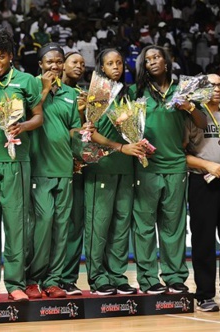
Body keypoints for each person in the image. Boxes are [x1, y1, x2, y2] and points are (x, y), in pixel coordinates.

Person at [129, 45, 207, 294]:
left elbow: (202, 123)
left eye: (156, 57)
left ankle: (175, 277)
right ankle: (149, 279)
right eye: (147, 59)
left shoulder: (183, 90)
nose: (152, 61)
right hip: (146, 168)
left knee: (173, 226)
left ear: (166, 61)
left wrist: (190, 107)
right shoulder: (135, 92)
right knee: (144, 226)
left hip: (175, 165)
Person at [0, 29, 43, 302]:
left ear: (10, 57)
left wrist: (23, 126)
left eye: (1, 57)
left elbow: (38, 117)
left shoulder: (26, 81)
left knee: (16, 225)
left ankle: (15, 283)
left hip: (18, 161)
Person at [83, 48, 145, 296]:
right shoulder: (98, 93)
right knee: (99, 225)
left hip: (126, 168)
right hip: (102, 166)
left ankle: (117, 275)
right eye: (110, 63)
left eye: (119, 62)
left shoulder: (129, 96)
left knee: (121, 223)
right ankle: (98, 277)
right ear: (102, 67)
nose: (116, 67)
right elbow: (90, 132)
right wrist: (120, 146)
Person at [26, 43, 81, 299]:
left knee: (61, 226)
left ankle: (53, 280)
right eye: (49, 61)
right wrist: (44, 90)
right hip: (39, 168)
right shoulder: (31, 86)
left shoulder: (70, 93)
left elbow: (72, 128)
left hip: (64, 169)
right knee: (43, 222)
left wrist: (82, 142)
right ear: (40, 64)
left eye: (59, 61)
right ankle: (32, 278)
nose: (55, 66)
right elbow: (24, 116)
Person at [185, 74, 220, 312]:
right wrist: (208, 165)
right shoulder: (193, 115)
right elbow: (181, 153)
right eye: (211, 85)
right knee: (202, 240)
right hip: (202, 181)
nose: (217, 89)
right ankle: (204, 295)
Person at [59, 51, 87, 296]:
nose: (79, 66)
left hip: (78, 168)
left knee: (75, 224)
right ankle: (45, 276)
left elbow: (85, 132)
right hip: (49, 167)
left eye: (82, 63)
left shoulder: (87, 96)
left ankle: (68, 278)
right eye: (74, 62)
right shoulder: (45, 89)